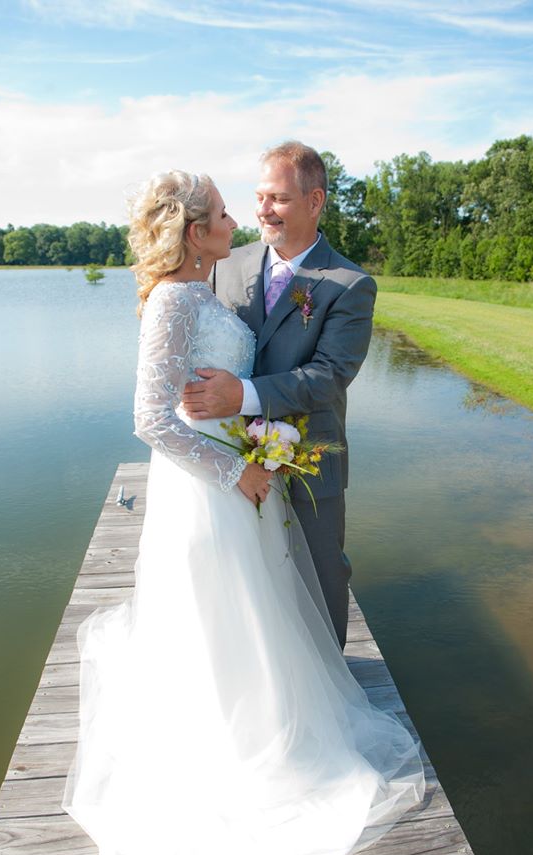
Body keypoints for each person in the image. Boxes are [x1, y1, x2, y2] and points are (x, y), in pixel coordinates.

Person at [62, 169, 424, 855]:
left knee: (252, 611)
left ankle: (272, 720)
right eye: (227, 211)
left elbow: (308, 372)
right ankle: (228, 745)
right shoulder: (177, 295)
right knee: (214, 615)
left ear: (312, 201)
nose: (243, 217)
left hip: (246, 480)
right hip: (211, 493)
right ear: (198, 234)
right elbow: (152, 420)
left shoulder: (223, 286)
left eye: (262, 200)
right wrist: (238, 472)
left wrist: (249, 445)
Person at [183, 141, 375, 648]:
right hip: (230, 453)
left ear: (316, 202)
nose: (263, 210)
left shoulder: (350, 284)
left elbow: (330, 375)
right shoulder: (228, 262)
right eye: (260, 196)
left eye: (279, 199)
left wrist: (240, 395)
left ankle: (331, 681)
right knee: (243, 574)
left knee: (323, 573)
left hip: (310, 456)